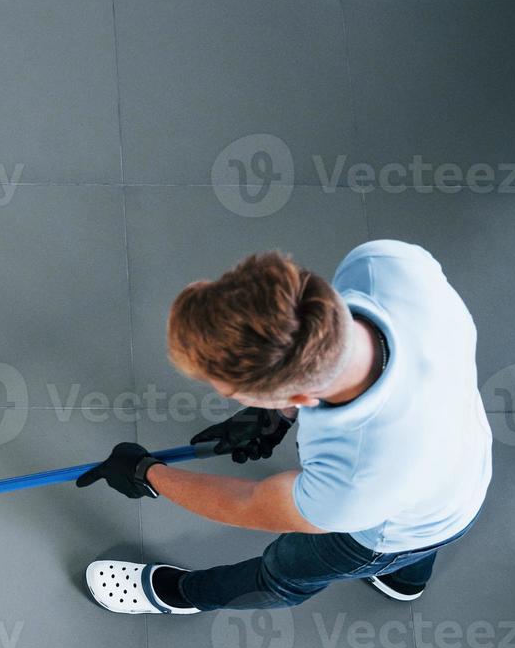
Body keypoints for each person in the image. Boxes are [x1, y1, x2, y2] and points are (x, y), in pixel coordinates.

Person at [76, 241, 492, 614]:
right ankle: (406, 579)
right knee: (420, 516)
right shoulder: (386, 266)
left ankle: (180, 595)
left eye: (233, 394)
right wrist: (276, 415)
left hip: (388, 529)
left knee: (284, 572)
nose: (228, 398)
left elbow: (248, 503)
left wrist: (148, 475)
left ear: (298, 397)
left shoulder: (354, 484)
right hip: (463, 459)